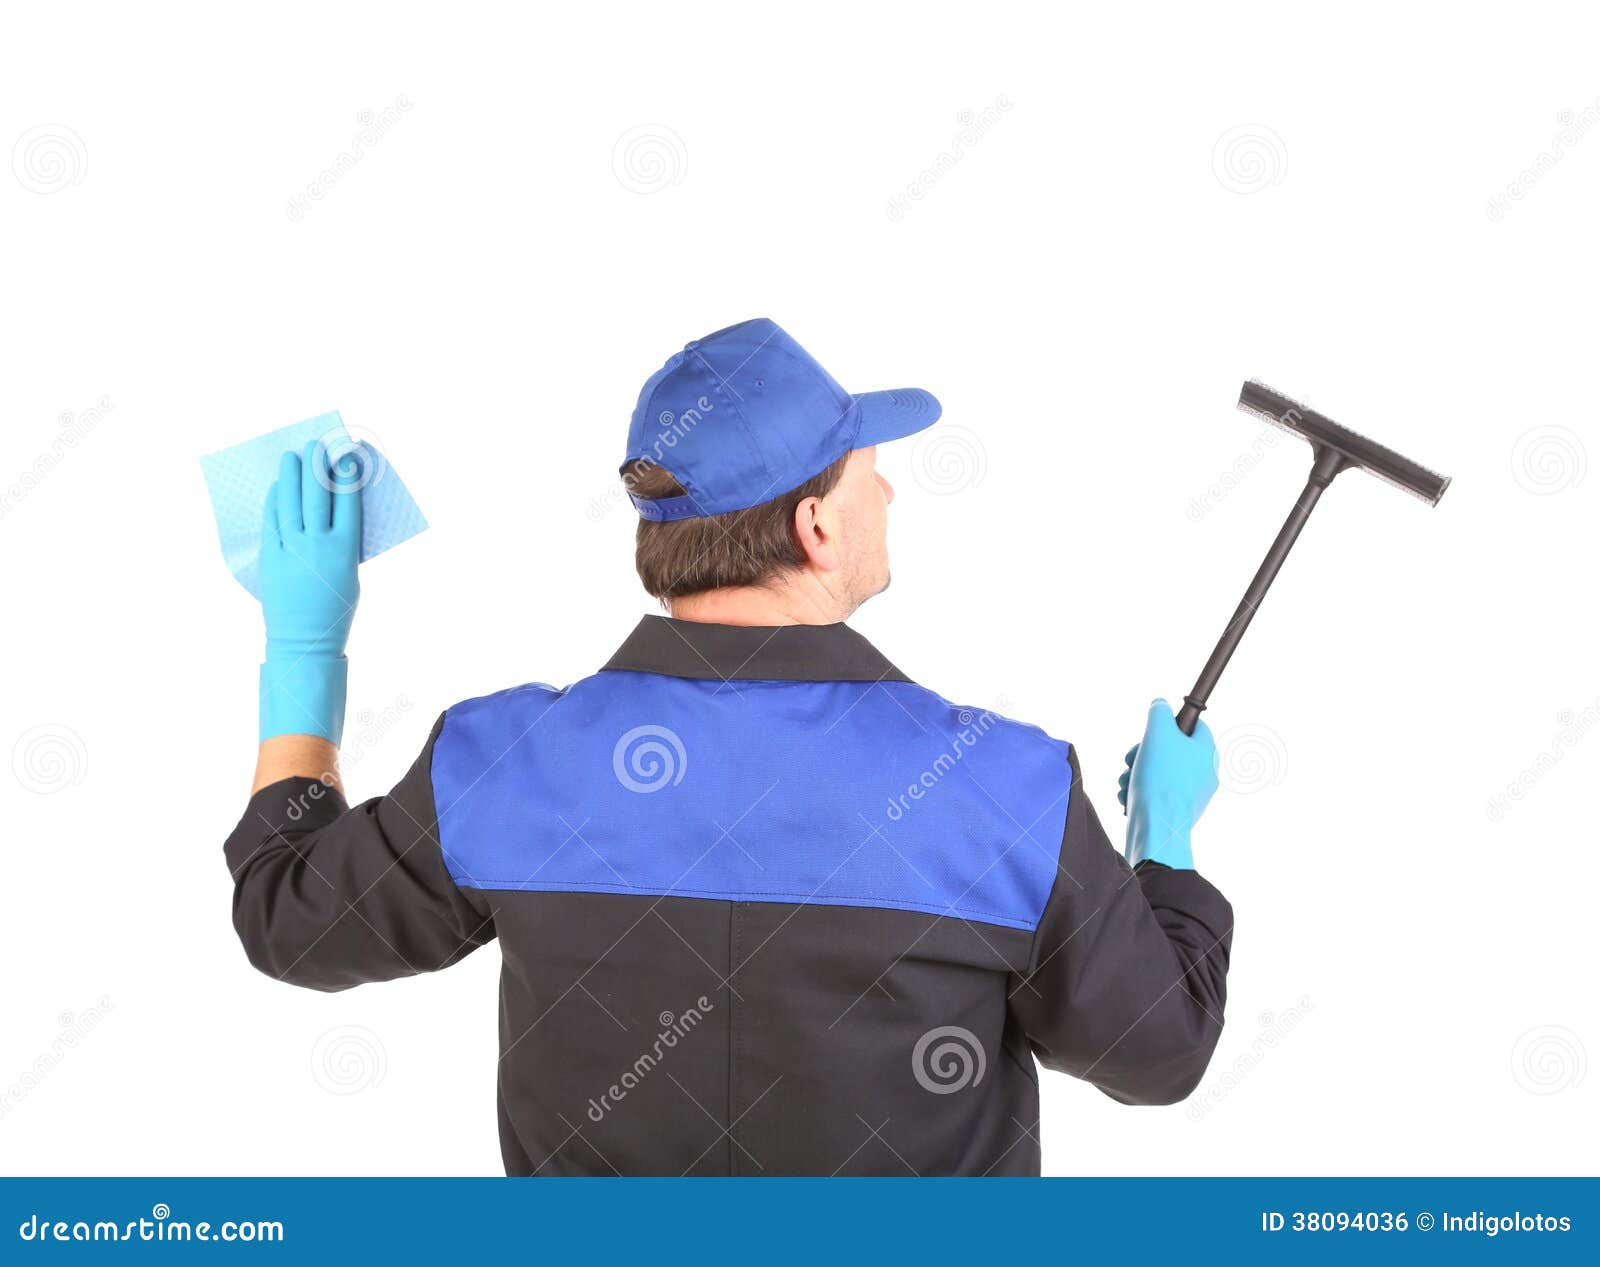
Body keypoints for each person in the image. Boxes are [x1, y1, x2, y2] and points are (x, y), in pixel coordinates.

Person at [223, 317, 1233, 1176]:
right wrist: (1165, 846)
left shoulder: (500, 760)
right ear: (815, 528)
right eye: (868, 477)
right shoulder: (1003, 785)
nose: (888, 498)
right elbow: (1157, 1051)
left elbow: (290, 923)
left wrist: (302, 651)